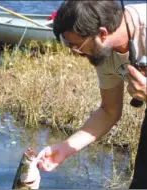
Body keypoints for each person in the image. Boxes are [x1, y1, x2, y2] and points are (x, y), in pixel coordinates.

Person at [37, 1, 147, 189]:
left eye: (77, 46)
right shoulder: (103, 51)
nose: (75, 52)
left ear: (103, 33)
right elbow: (109, 111)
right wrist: (64, 149)